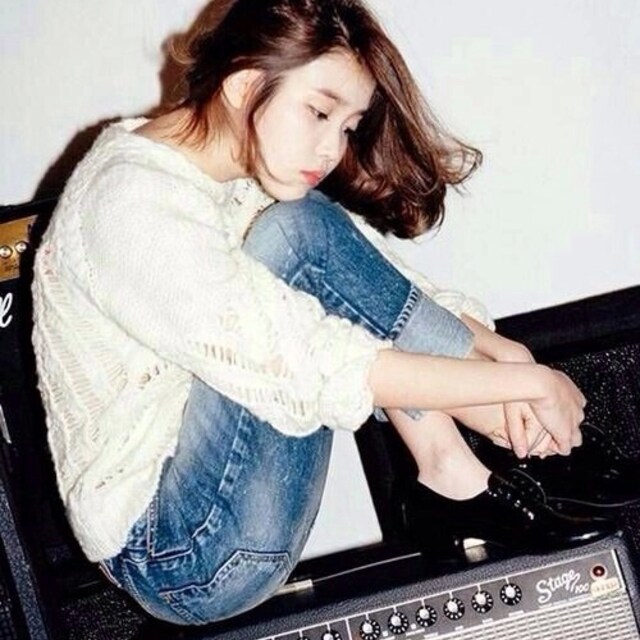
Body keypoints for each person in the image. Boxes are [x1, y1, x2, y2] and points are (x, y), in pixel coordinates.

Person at [32, 0, 612, 626]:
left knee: (301, 228)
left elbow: (382, 295)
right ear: (245, 85)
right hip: (182, 555)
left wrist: (500, 354)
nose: (333, 147)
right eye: (319, 112)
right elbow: (313, 366)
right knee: (296, 237)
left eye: (348, 126)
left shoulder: (229, 167)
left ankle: (454, 471)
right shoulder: (129, 205)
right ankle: (512, 445)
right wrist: (523, 386)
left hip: (207, 511)